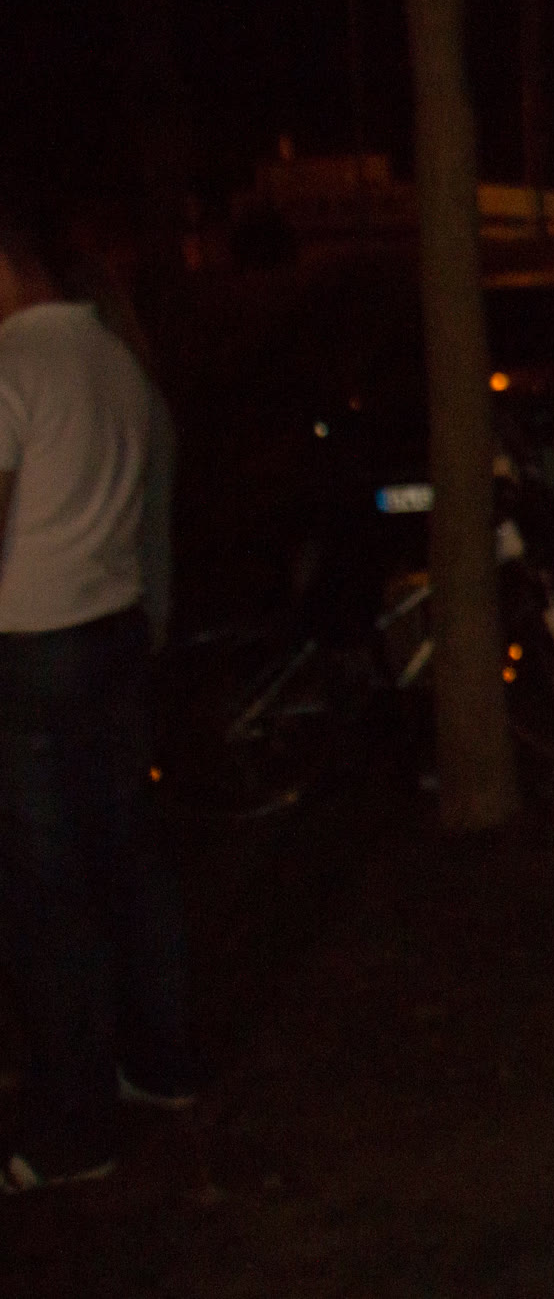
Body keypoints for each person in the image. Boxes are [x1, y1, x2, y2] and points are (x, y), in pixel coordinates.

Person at [0, 198, 192, 1193]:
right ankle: (163, 1062)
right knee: (126, 857)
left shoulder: (13, 365)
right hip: (109, 629)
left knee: (47, 889)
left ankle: (77, 1125)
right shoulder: (114, 362)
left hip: (31, 650)